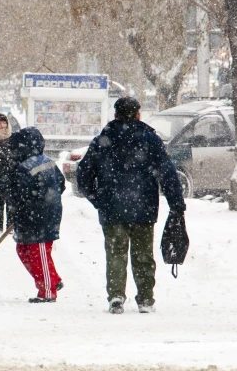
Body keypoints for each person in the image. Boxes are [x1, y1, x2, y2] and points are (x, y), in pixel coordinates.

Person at [76, 96, 186, 315]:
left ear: (115, 114)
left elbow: (83, 174)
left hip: (112, 208)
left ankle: (116, 296)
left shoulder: (102, 140)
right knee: (143, 254)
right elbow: (168, 173)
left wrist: (98, 199)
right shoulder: (150, 140)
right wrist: (176, 203)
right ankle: (145, 298)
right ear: (138, 114)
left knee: (116, 253)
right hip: (143, 207)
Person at [6, 127, 65, 303]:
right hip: (36, 215)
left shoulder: (25, 167)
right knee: (23, 250)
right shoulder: (46, 162)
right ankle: (53, 280)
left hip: (38, 218)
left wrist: (38, 206)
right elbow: (61, 185)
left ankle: (48, 291)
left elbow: (18, 195)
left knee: (37, 252)